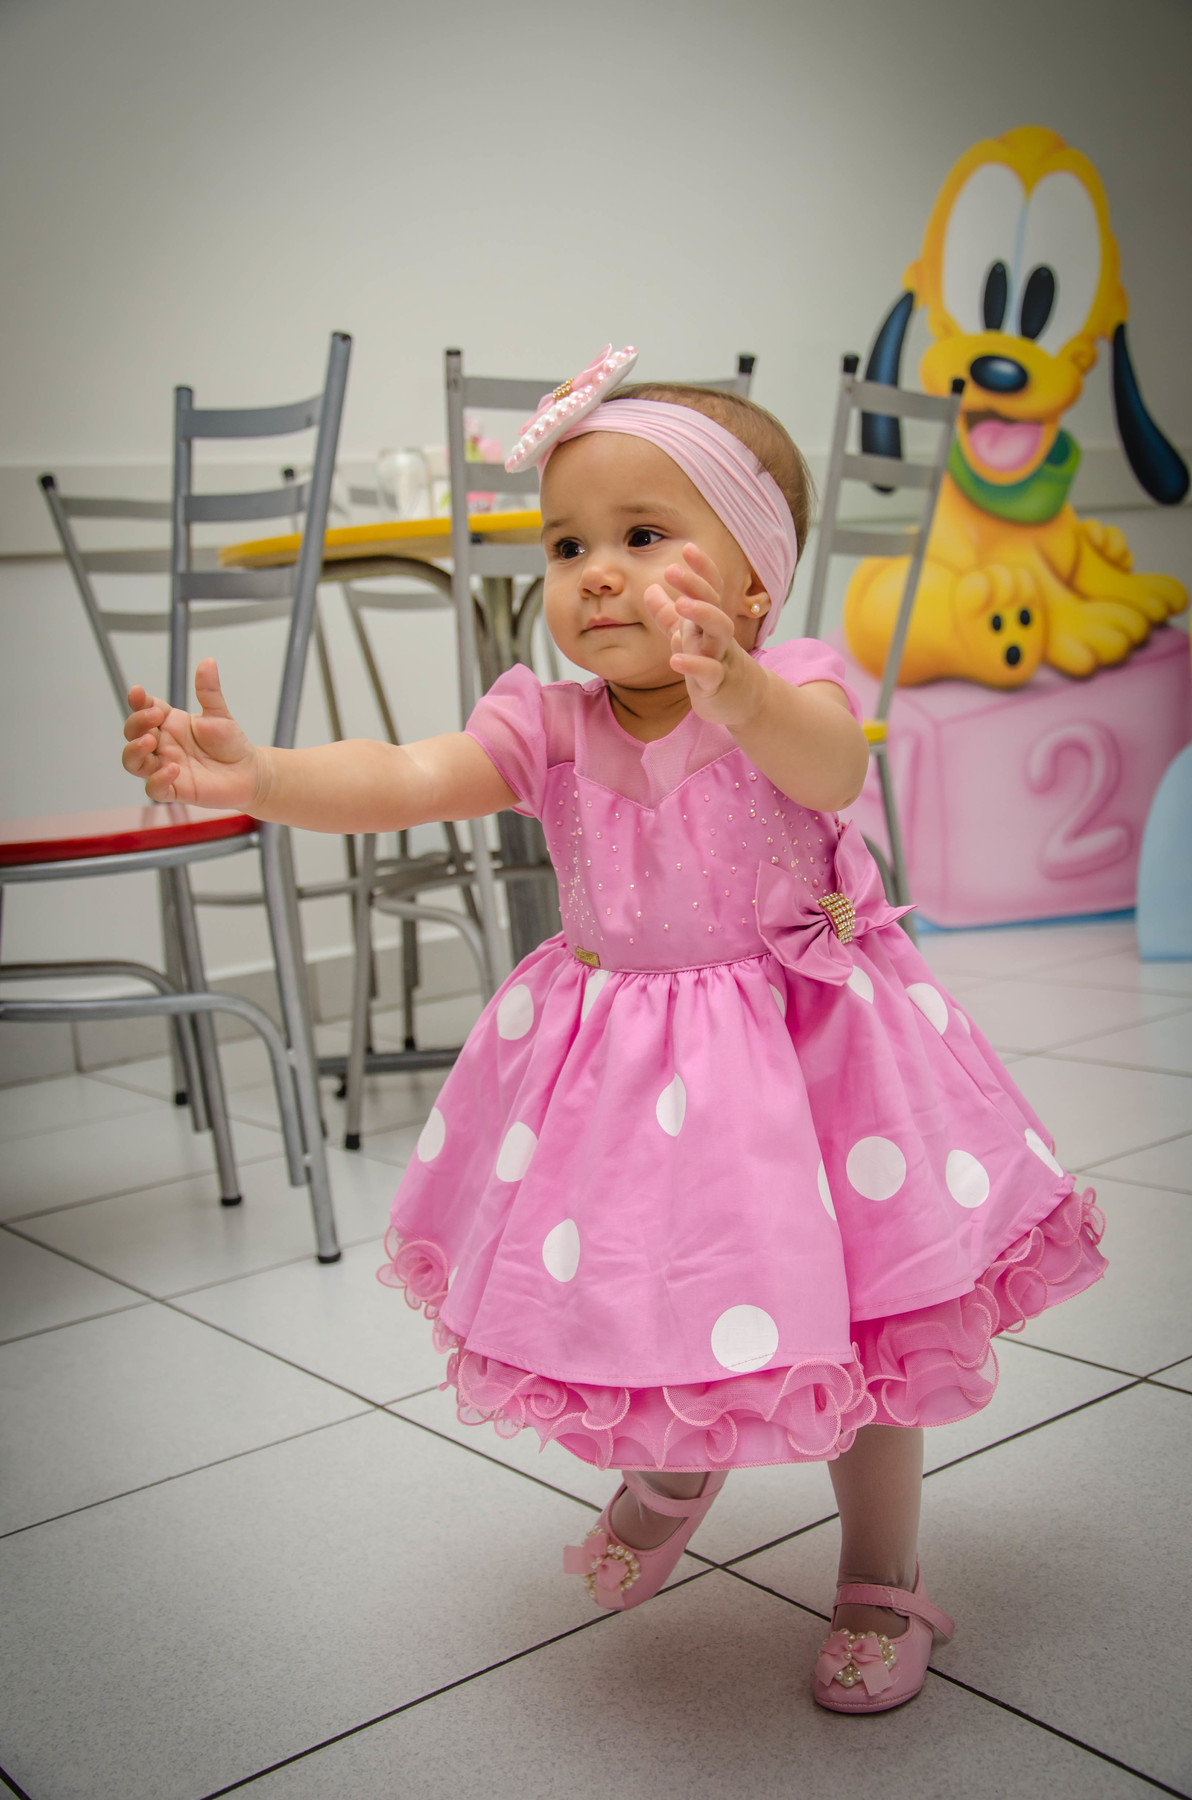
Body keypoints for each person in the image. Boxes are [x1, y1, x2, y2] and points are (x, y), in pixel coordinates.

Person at [122, 348, 1106, 1714]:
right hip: (631, 1075)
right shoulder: (550, 724)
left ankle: (881, 1573)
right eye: (568, 542)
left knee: (869, 1324)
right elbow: (405, 775)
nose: (594, 572)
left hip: (814, 1065)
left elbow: (831, 766)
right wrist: (265, 775)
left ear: (752, 580)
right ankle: (675, 1469)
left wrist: (737, 692)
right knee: (660, 1282)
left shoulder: (795, 681)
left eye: (644, 536)